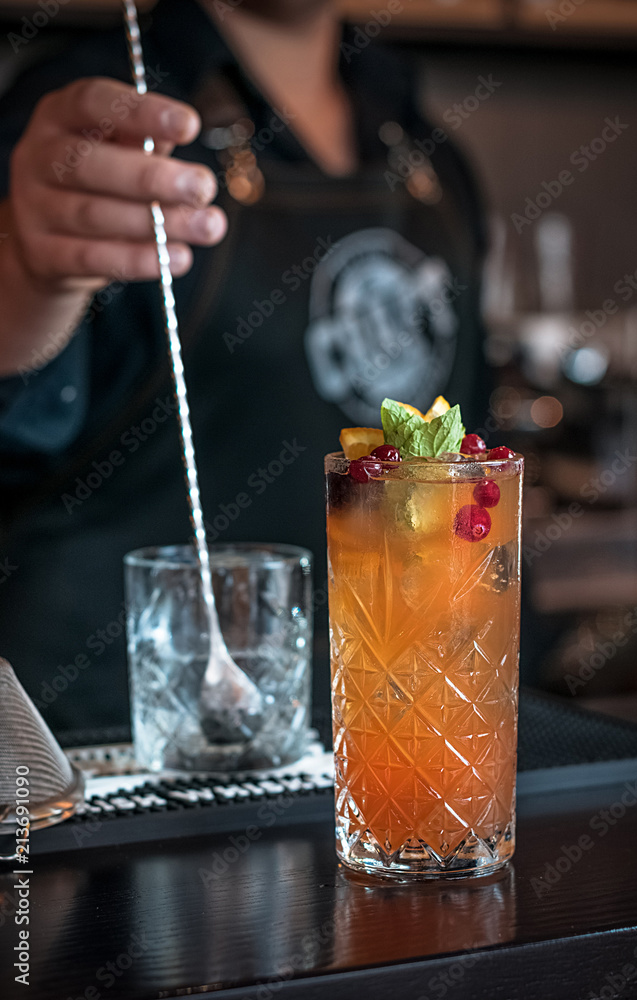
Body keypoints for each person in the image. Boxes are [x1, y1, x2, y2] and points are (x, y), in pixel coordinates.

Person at [0, 0, 488, 737]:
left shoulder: (427, 150)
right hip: (113, 744)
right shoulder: (93, 124)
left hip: (386, 738)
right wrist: (27, 279)